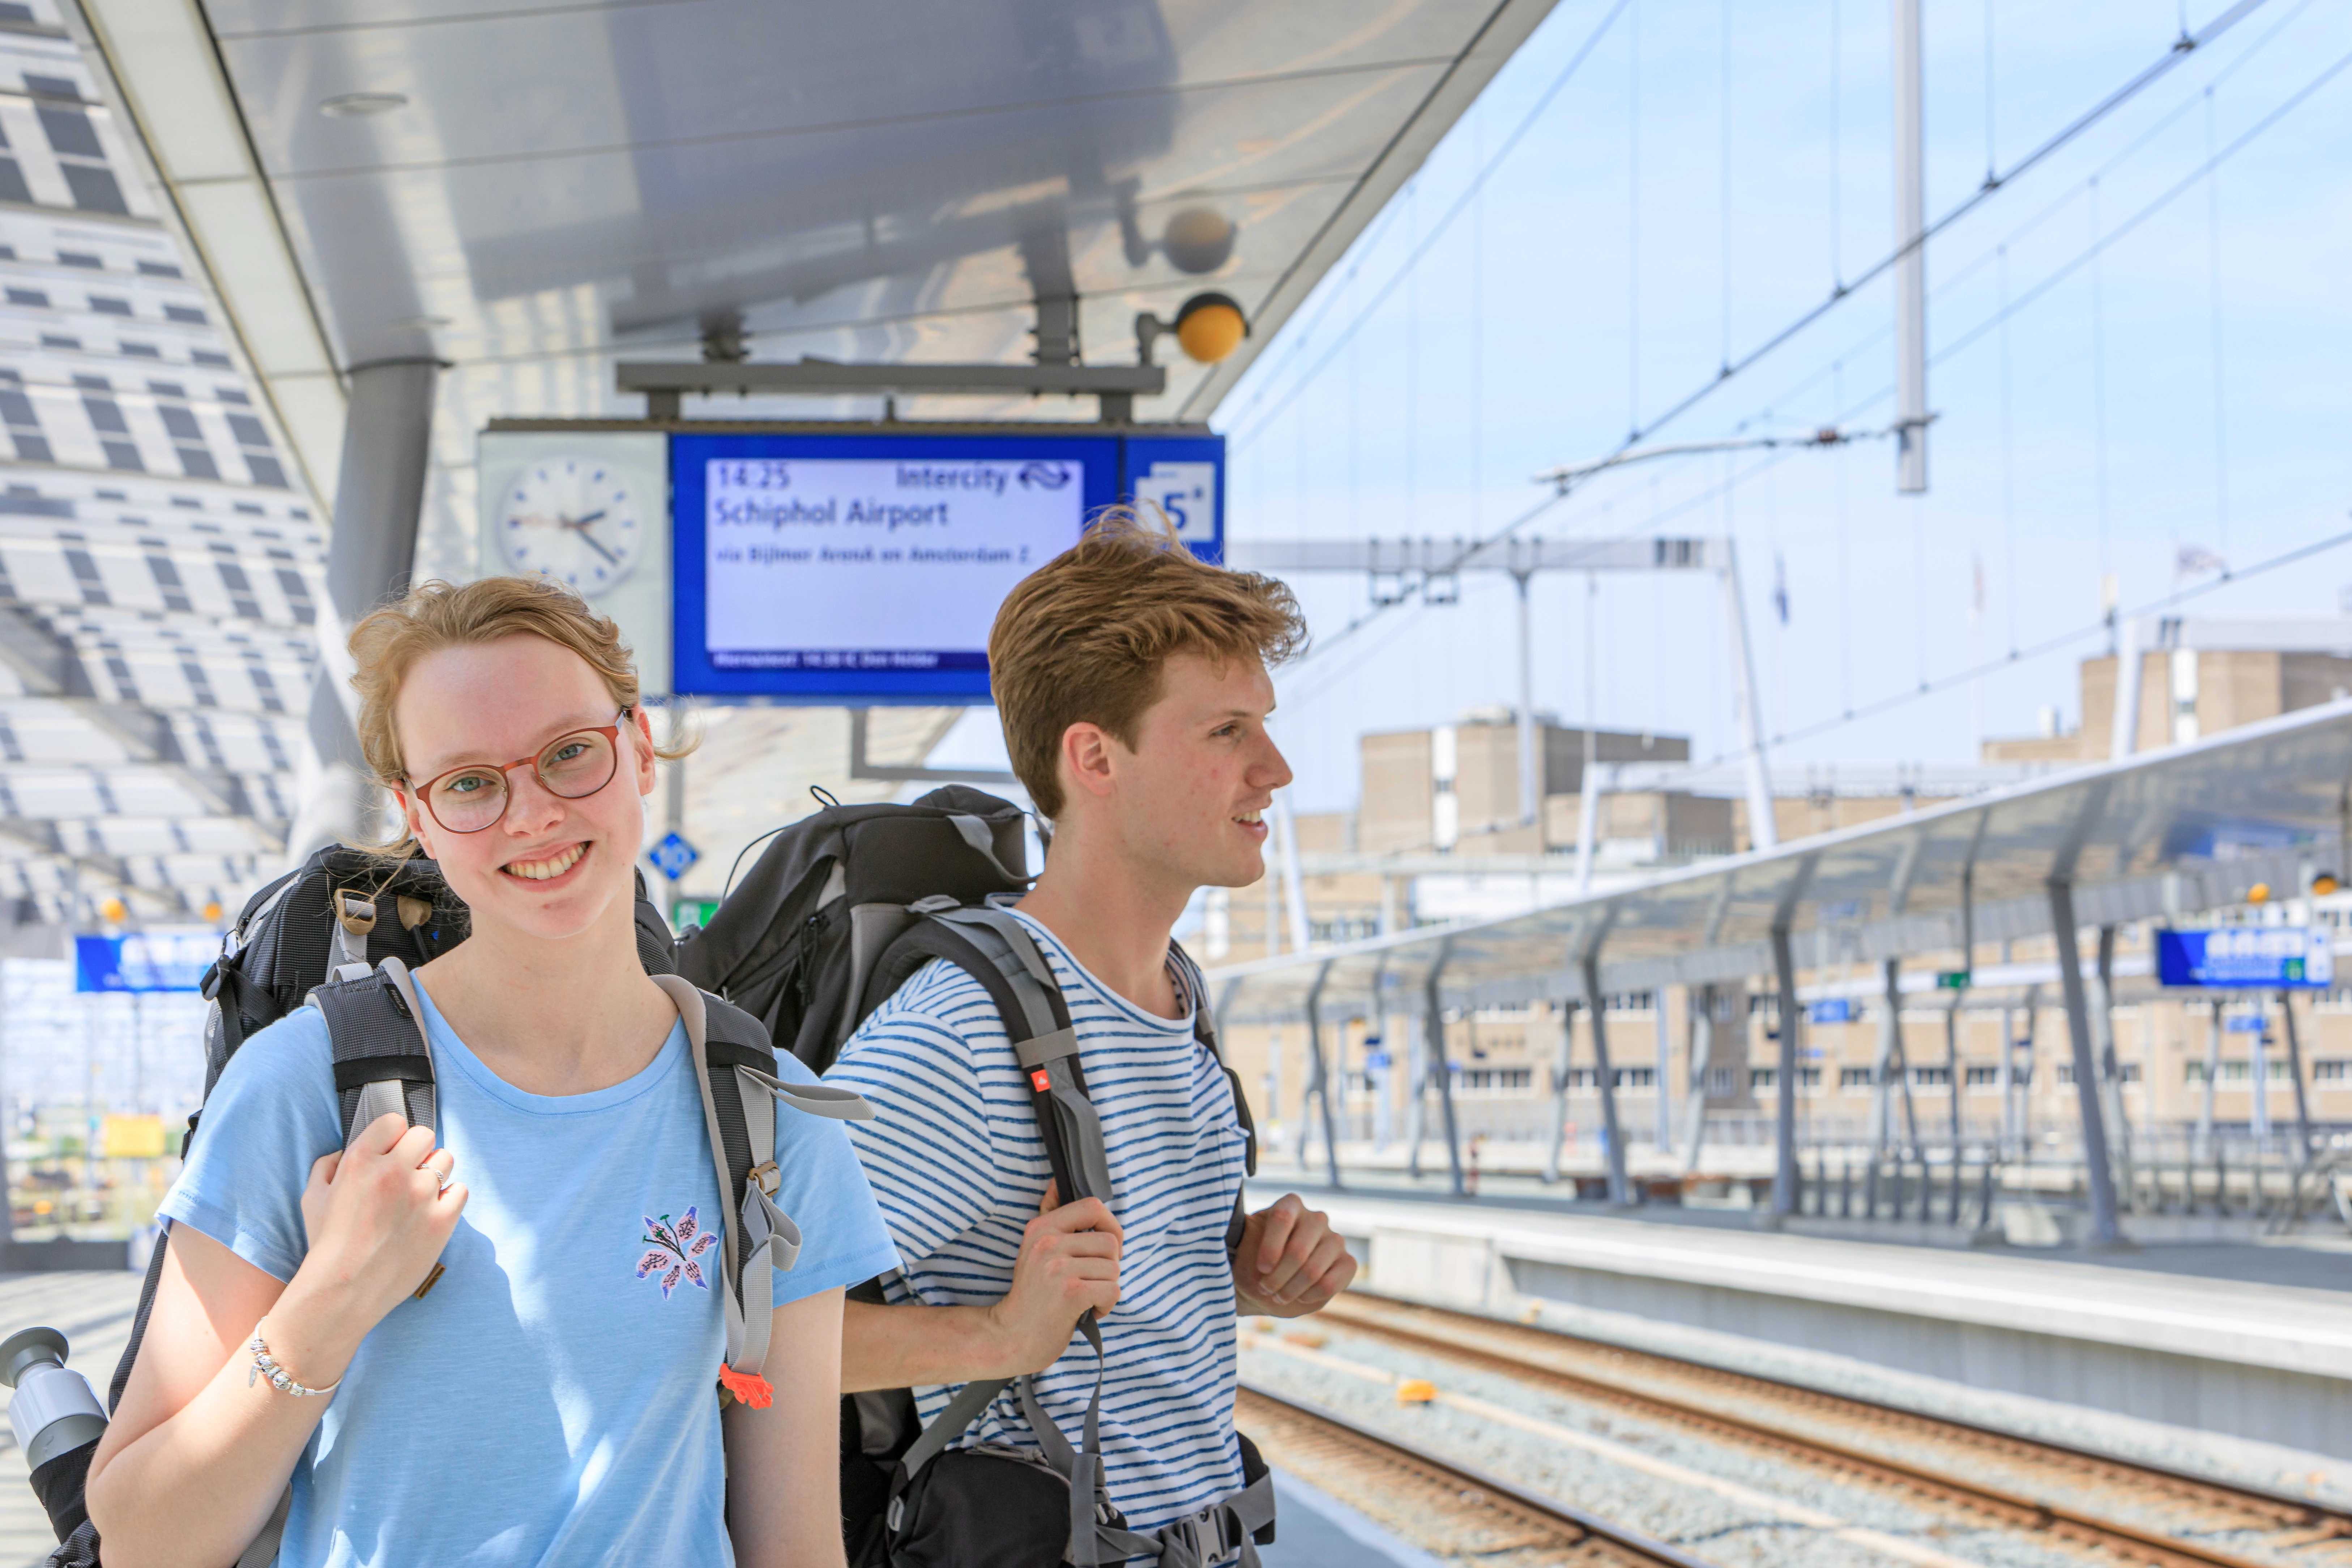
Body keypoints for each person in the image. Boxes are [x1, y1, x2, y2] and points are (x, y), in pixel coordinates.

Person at [85, 576, 897, 1568]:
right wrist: (331, 1299)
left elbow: (795, 1542)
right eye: (470, 782)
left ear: (638, 750)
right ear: (415, 814)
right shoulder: (305, 1087)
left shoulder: (767, 1115)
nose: (533, 815)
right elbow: (141, 1541)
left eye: (569, 754)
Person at [827, 509, 1358, 1541]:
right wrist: (996, 1334)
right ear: (1095, 758)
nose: (1278, 769)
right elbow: (738, 1331)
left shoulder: (1176, 1002)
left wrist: (1237, 1281)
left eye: (1266, 722)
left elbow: (1111, 1316)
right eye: (1227, 731)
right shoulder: (967, 1037)